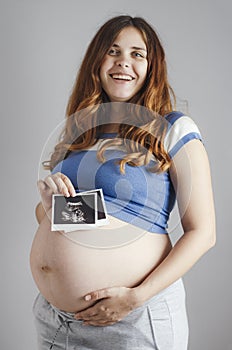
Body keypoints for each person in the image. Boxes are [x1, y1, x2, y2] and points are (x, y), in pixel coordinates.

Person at [30, 15, 216, 350]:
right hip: (59, 322)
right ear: (97, 61)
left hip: (131, 318)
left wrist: (135, 297)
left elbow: (203, 232)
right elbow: (87, 218)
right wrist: (50, 207)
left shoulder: (172, 128)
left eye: (136, 54)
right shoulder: (80, 135)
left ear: (152, 66)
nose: (123, 63)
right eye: (113, 52)